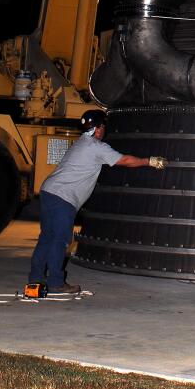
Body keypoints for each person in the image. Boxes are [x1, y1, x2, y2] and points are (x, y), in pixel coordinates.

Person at [28, 109, 166, 293]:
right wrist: (148, 161)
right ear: (98, 129)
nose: (103, 129)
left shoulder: (81, 143)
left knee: (46, 238)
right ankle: (55, 283)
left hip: (49, 192)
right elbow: (124, 160)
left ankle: (35, 280)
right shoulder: (95, 146)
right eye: (102, 126)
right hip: (63, 197)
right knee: (59, 240)